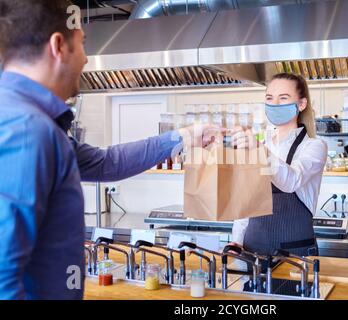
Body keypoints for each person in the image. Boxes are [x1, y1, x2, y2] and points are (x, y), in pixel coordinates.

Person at [0, 0, 218, 299]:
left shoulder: (35, 124)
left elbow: (106, 163)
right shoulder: (26, 130)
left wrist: (183, 136)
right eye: (83, 45)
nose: (87, 59)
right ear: (59, 46)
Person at [230, 73, 328, 260]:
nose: (275, 104)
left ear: (301, 104)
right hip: (253, 252)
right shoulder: (261, 143)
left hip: (294, 256)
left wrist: (259, 151)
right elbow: (246, 201)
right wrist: (237, 241)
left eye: (283, 98)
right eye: (269, 98)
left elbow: (291, 181)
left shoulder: (314, 146)